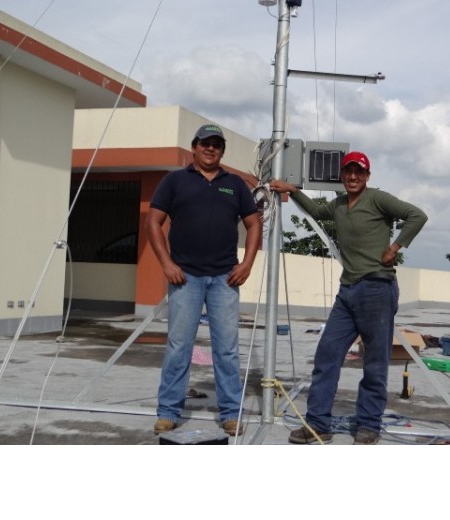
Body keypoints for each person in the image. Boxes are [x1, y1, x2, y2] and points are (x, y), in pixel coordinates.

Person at [269, 151, 427, 445]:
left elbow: (417, 215)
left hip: (377, 289)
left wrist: (395, 248)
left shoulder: (378, 199)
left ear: (367, 176)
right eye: (348, 172)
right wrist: (293, 190)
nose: (353, 177)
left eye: (359, 172)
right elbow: (317, 212)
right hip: (348, 291)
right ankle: (318, 424)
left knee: (375, 362)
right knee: (327, 355)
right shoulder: (340, 204)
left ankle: (368, 424)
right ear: (342, 177)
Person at [147, 124, 261, 437]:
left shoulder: (235, 185)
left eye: (217, 145)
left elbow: (253, 224)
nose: (211, 149)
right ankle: (168, 411)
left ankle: (230, 413)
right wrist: (166, 263)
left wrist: (247, 264)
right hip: (186, 278)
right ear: (194, 147)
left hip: (225, 279)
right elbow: (154, 223)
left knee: (226, 350)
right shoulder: (174, 181)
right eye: (205, 144)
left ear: (222, 150)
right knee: (179, 346)